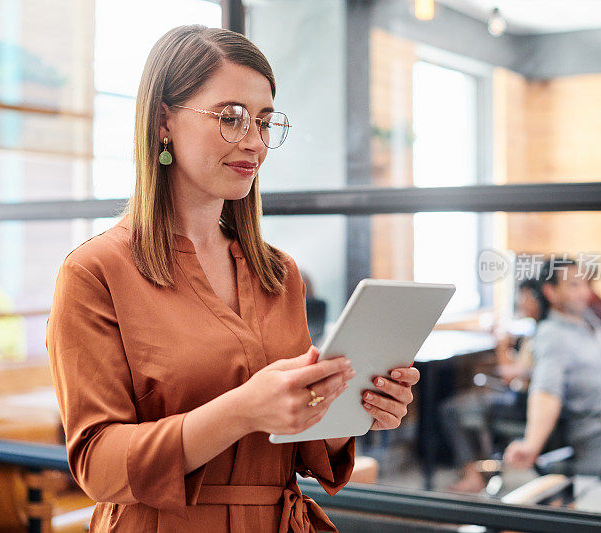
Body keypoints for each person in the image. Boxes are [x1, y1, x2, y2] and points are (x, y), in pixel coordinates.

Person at [45, 25, 419, 532]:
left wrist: (354, 409)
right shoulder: (95, 273)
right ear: (163, 122)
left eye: (264, 122)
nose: (255, 143)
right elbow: (98, 463)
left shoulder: (278, 274)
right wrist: (241, 411)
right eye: (231, 118)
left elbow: (302, 444)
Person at [504, 259, 601, 476]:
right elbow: (547, 393)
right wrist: (531, 445)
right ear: (551, 291)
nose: (584, 292)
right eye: (573, 285)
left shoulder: (587, 320)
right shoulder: (552, 334)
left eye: (584, 283)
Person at [443, 277, 546, 493]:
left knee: (452, 409)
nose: (520, 301)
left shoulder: (543, 335)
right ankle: (483, 469)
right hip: (521, 397)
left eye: (524, 296)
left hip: (524, 403)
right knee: (469, 402)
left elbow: (510, 375)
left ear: (536, 299)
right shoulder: (540, 329)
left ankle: (474, 475)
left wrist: (501, 344)